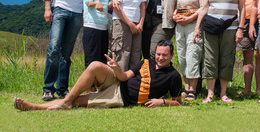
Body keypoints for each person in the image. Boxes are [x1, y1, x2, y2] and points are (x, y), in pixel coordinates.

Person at [14, 40, 182, 111]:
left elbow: (178, 102)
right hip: (117, 83)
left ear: (171, 56)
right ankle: (66, 100)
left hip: (121, 98)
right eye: (159, 54)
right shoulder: (146, 62)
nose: (160, 57)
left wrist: (163, 101)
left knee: (78, 102)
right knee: (95, 65)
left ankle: (34, 107)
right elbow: (124, 77)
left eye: (164, 55)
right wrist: (116, 69)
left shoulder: (173, 76)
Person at [42, 0, 89, 101]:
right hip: (60, 8)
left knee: (66, 52)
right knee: (54, 47)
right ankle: (48, 88)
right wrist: (48, 7)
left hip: (77, 12)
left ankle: (62, 89)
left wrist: (84, 13)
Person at [193, 0, 245, 103]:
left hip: (230, 28)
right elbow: (204, 8)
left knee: (227, 59)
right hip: (210, 28)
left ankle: (223, 93)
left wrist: (240, 29)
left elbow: (242, 8)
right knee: (210, 59)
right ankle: (210, 94)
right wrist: (197, 28)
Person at [173, 0, 205, 101]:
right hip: (180, 26)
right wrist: (175, 15)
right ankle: (185, 87)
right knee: (182, 55)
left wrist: (190, 19)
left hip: (193, 25)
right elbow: (177, 7)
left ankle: (193, 89)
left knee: (193, 55)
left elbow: (204, 8)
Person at [111, 0, 146, 70]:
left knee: (135, 54)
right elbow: (117, 7)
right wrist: (130, 24)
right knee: (122, 53)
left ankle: (132, 83)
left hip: (137, 24)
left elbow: (142, 6)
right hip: (122, 22)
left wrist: (140, 23)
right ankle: (120, 84)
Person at [82, 0, 113, 68]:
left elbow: (107, 4)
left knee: (101, 62)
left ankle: (100, 85)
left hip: (104, 28)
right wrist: (96, 2)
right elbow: (88, 3)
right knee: (91, 62)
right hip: (91, 27)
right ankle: (89, 85)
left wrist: (114, 2)